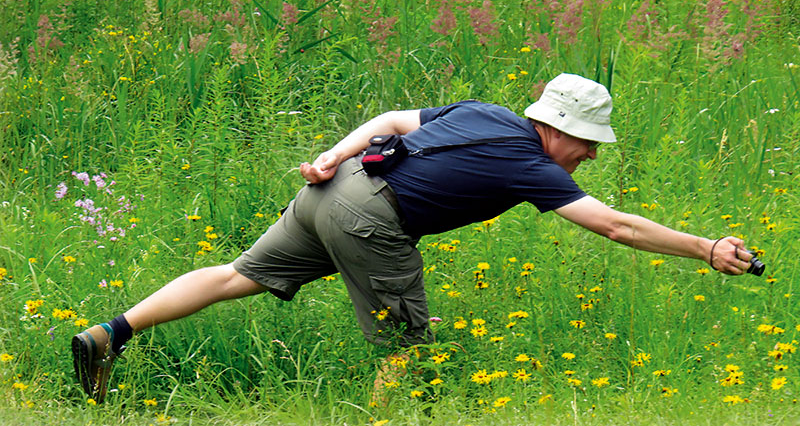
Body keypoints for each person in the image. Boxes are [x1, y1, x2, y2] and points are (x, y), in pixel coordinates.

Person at [72, 73, 754, 402]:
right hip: (373, 214)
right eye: (588, 143)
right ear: (559, 130)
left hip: (331, 192)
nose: (591, 156)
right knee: (403, 345)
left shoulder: (483, 111)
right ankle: (386, 420)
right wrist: (704, 247)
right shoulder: (530, 163)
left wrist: (332, 158)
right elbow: (614, 223)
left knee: (234, 274)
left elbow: (394, 118)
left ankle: (109, 332)